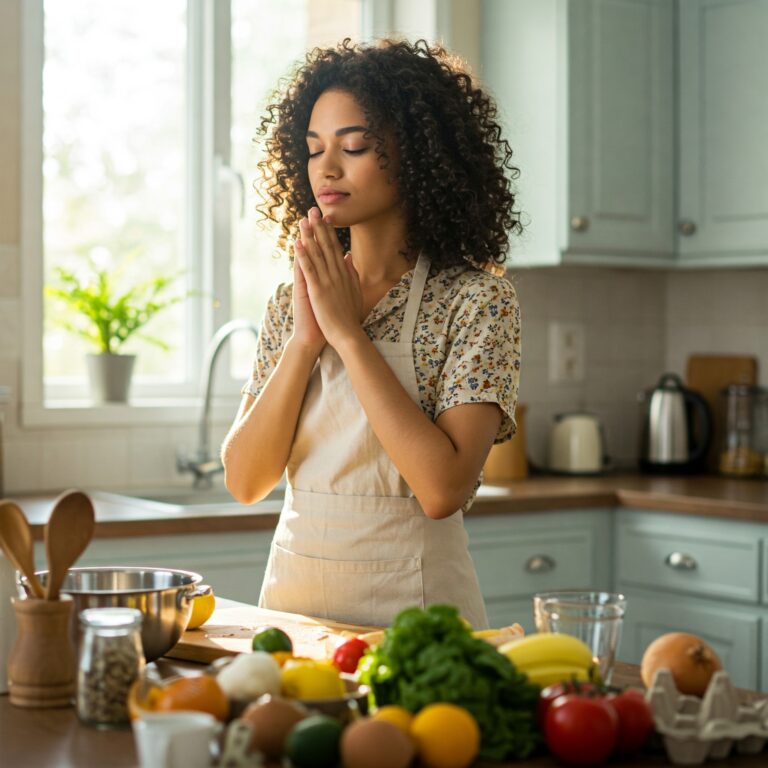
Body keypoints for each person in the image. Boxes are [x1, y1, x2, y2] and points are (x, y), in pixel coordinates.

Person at [221, 38, 522, 630]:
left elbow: (441, 490)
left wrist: (347, 336)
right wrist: (307, 341)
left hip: (420, 626)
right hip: (294, 621)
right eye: (313, 151)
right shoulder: (291, 302)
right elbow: (245, 480)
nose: (326, 169)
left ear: (418, 154)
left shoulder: (476, 301)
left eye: (354, 146)